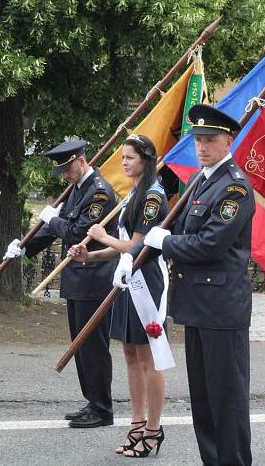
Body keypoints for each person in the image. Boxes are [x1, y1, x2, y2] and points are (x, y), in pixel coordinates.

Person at [118, 104, 255, 466]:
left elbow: (211, 243)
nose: (202, 147)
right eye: (198, 140)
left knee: (226, 399)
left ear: (228, 141)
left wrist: (163, 242)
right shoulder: (202, 180)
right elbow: (180, 228)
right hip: (197, 305)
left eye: (211, 140)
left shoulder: (235, 188)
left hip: (222, 308)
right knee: (205, 400)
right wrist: (162, 234)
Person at [4, 139, 118, 429]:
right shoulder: (79, 190)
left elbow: (78, 232)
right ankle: (92, 401)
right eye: (63, 171)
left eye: (68, 169)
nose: (66, 175)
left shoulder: (99, 193)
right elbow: (59, 227)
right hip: (77, 279)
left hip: (94, 277)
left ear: (81, 160)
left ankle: (103, 408)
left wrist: (52, 220)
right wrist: (25, 247)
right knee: (81, 345)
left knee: (93, 346)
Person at [67, 134, 168, 457]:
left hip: (147, 281)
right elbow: (122, 252)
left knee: (148, 357)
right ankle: (136, 423)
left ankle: (153, 428)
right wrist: (90, 256)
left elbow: (138, 247)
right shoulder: (133, 193)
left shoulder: (152, 197)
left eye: (130, 158)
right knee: (129, 353)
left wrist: (101, 236)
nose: (124, 163)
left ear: (146, 161)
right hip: (127, 279)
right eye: (123, 157)